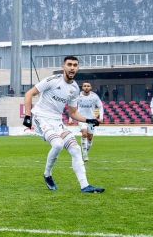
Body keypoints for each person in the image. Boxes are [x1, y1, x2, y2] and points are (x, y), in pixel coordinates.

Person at [23, 56, 104, 193]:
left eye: (75, 65)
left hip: (57, 121)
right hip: (41, 117)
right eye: (69, 64)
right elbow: (29, 93)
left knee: (76, 149)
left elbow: (73, 113)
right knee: (58, 144)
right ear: (63, 67)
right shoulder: (52, 80)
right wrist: (27, 116)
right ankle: (47, 174)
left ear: (77, 68)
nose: (72, 67)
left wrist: (88, 120)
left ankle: (85, 186)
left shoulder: (74, 89)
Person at [77, 82, 104, 162]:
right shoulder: (78, 96)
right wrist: (70, 118)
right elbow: (73, 107)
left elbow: (100, 106)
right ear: (82, 87)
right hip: (81, 118)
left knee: (90, 137)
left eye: (88, 86)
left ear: (91, 87)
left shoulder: (94, 97)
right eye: (84, 86)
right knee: (84, 133)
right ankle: (84, 155)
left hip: (91, 120)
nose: (86, 87)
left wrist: (101, 117)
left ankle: (86, 153)